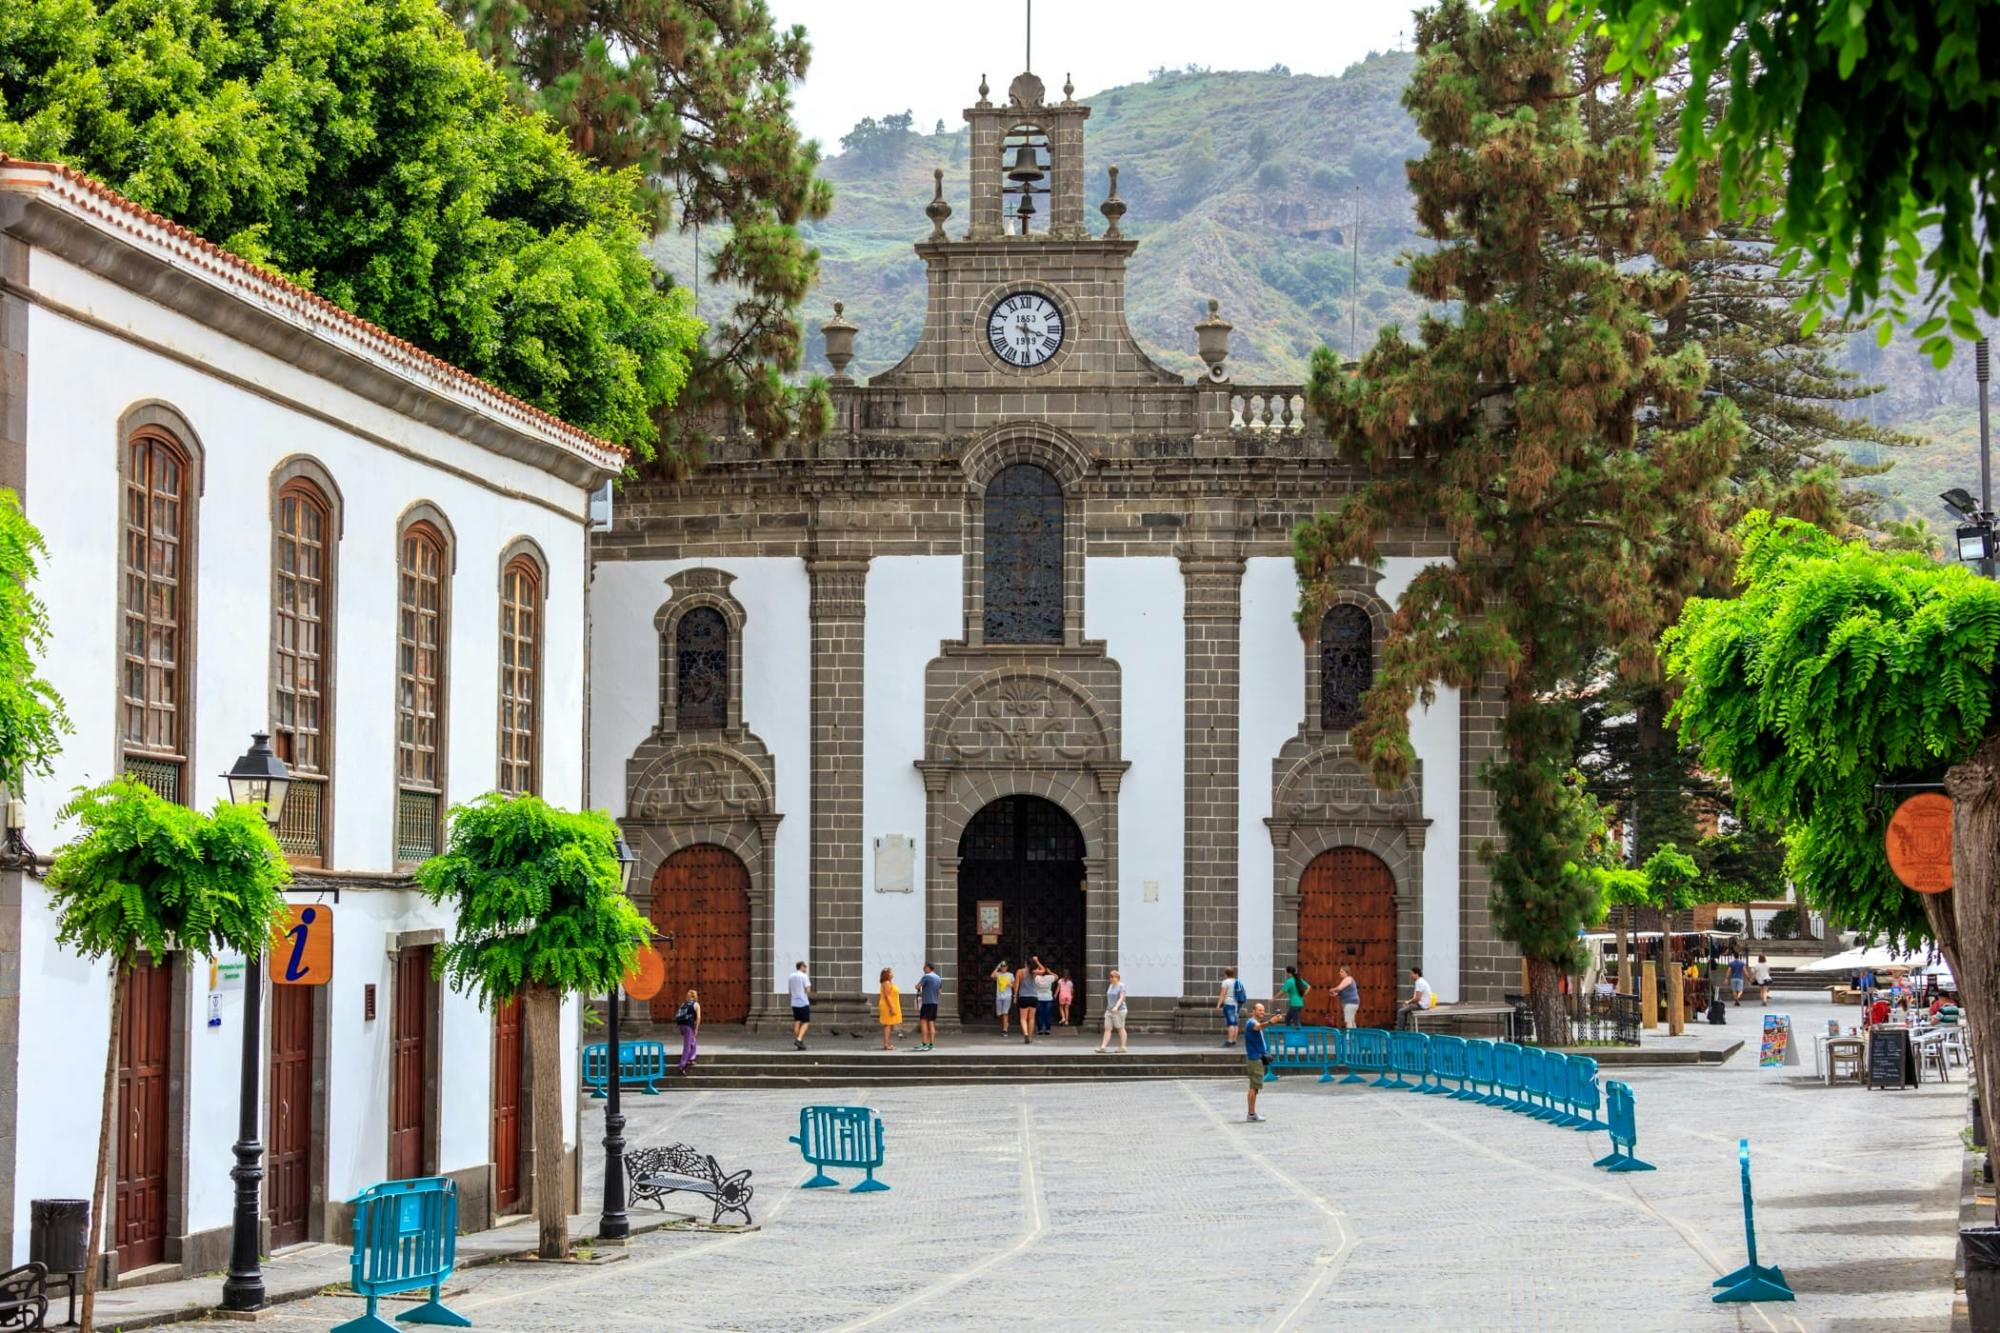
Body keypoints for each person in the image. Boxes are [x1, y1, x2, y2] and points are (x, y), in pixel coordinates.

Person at [1243, 1002, 1270, 1122]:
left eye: (1263, 1010)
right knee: (1254, 1087)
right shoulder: (1251, 1023)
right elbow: (1258, 1027)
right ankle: (1251, 1114)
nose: (1262, 1012)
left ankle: (1252, 1113)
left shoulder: (1254, 1022)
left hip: (1257, 1058)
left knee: (1255, 1087)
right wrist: (1271, 1022)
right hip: (1255, 1059)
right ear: (1253, 1011)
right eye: (1259, 1010)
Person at [1097, 968, 1129, 1054]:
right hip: (1109, 1011)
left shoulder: (1121, 986)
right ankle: (1103, 1047)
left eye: (1112, 977)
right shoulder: (1110, 985)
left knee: (1120, 1028)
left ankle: (1123, 1047)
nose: (1110, 978)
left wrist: (1116, 1007)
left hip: (1119, 1011)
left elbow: (1122, 998)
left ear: (1117, 977)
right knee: (1107, 1028)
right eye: (1110, 977)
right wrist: (1110, 1008)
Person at [916, 962, 943, 1051]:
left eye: (924, 967)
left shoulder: (926, 976)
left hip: (926, 1003)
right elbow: (940, 992)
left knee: (923, 1022)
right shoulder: (938, 978)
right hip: (934, 1003)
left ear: (928, 968)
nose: (923, 969)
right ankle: (931, 1044)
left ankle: (924, 1043)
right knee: (931, 1023)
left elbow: (917, 986)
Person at [674, 987, 701, 1073]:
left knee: (693, 1041)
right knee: (687, 1046)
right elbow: (698, 1017)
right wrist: (696, 1028)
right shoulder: (696, 1004)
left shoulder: (683, 1004)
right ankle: (682, 1066)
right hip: (689, 1026)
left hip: (682, 1026)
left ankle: (691, 1058)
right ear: (695, 996)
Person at [1218, 967, 1245, 1047]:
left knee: (1231, 1023)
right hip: (1237, 1004)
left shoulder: (1225, 982)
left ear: (1226, 974)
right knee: (1235, 1023)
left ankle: (1229, 1041)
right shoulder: (1237, 981)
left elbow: (1222, 994)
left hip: (1229, 1003)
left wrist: (1218, 1004)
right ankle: (1234, 1040)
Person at [788, 960, 812, 1050]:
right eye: (805, 966)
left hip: (794, 1003)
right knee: (806, 1022)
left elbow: (790, 991)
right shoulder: (804, 976)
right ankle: (799, 1039)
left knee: (797, 1021)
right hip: (803, 1002)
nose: (806, 968)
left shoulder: (791, 976)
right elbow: (808, 989)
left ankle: (799, 1042)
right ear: (801, 966)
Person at [878, 967, 902, 1051]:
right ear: (887, 974)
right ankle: (886, 1044)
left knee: (889, 1025)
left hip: (890, 1005)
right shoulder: (886, 983)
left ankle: (888, 1043)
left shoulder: (889, 982)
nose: (892, 974)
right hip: (887, 1006)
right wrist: (892, 1008)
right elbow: (887, 996)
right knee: (887, 1025)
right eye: (891, 972)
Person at [1035, 959, 1057, 1036]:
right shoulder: (1050, 977)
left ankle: (1040, 1029)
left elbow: (1033, 974)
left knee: (1039, 1014)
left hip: (1039, 998)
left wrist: (1037, 968)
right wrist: (1050, 971)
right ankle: (1048, 1029)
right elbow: (1056, 977)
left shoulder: (1037, 978)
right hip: (1048, 998)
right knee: (1048, 1014)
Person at [1019, 958, 1038, 1043]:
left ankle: (1026, 1034)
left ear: (1026, 963)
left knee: (1023, 1018)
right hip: (1034, 997)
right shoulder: (1035, 972)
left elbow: (1016, 984)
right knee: (1031, 1018)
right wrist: (1037, 962)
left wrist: (1015, 995)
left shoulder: (1020, 971)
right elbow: (1044, 970)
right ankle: (1030, 1036)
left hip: (1023, 997)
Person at [993, 961, 1014, 1034]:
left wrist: (1010, 984)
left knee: (1005, 1012)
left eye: (1004, 967)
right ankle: (1005, 1024)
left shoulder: (1010, 975)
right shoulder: (998, 974)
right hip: (999, 996)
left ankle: (1005, 1029)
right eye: (1002, 967)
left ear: (1007, 967)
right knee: (999, 1013)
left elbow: (1013, 985)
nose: (1003, 968)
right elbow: (992, 976)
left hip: (1007, 996)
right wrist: (997, 967)